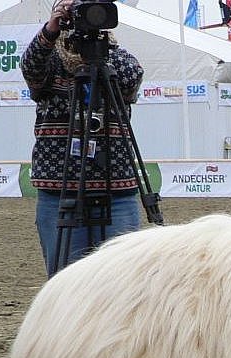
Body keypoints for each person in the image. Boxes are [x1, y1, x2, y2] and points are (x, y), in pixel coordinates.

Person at [22, 0, 145, 277]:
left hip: (116, 190)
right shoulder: (51, 65)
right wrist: (52, 29)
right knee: (66, 282)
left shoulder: (113, 63)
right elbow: (30, 67)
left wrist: (102, 42)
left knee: (123, 280)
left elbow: (133, 77)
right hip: (60, 191)